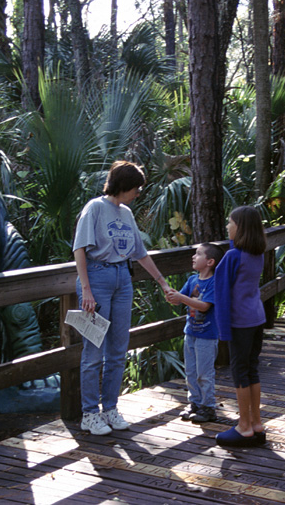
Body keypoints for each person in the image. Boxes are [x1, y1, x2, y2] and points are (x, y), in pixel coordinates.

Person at [73, 160, 169, 435]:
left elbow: (139, 252)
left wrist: (161, 281)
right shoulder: (94, 208)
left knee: (118, 349)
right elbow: (79, 249)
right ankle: (89, 414)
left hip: (122, 280)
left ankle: (110, 409)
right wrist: (87, 290)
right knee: (93, 352)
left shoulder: (126, 213)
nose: (139, 193)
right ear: (123, 186)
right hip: (97, 278)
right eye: (136, 188)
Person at [213, 206, 268, 447]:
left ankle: (244, 426)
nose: (227, 227)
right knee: (252, 369)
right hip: (256, 318)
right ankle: (256, 423)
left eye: (230, 223)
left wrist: (223, 332)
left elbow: (222, 296)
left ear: (241, 227)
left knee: (239, 372)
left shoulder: (232, 257)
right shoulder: (258, 254)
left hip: (239, 322)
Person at [166, 243, 225, 424]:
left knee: (204, 373)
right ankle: (195, 403)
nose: (193, 257)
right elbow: (179, 301)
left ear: (210, 261)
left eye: (198, 254)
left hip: (207, 335)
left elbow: (204, 306)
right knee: (190, 371)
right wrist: (171, 296)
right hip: (190, 332)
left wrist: (182, 298)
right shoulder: (192, 280)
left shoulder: (214, 282)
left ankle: (208, 407)